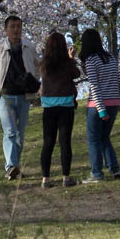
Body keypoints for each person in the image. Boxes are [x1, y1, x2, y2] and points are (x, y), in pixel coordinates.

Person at [0, 14, 39, 180]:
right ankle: (11, 166)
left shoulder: (29, 47)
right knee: (10, 131)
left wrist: (35, 81)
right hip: (4, 96)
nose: (16, 30)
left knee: (20, 134)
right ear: (6, 29)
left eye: (19, 26)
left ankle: (15, 167)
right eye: (12, 27)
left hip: (24, 95)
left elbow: (39, 65)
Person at [36, 31, 79, 188]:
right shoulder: (67, 63)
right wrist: (71, 58)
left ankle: (45, 179)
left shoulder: (43, 64)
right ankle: (66, 178)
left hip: (48, 107)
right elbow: (76, 73)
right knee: (65, 142)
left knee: (48, 142)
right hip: (66, 106)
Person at [78, 28, 120, 183]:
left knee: (94, 139)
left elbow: (94, 86)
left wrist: (101, 109)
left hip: (97, 106)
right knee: (105, 137)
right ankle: (114, 168)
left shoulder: (91, 60)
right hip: (114, 102)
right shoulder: (111, 58)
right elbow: (118, 81)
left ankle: (96, 174)